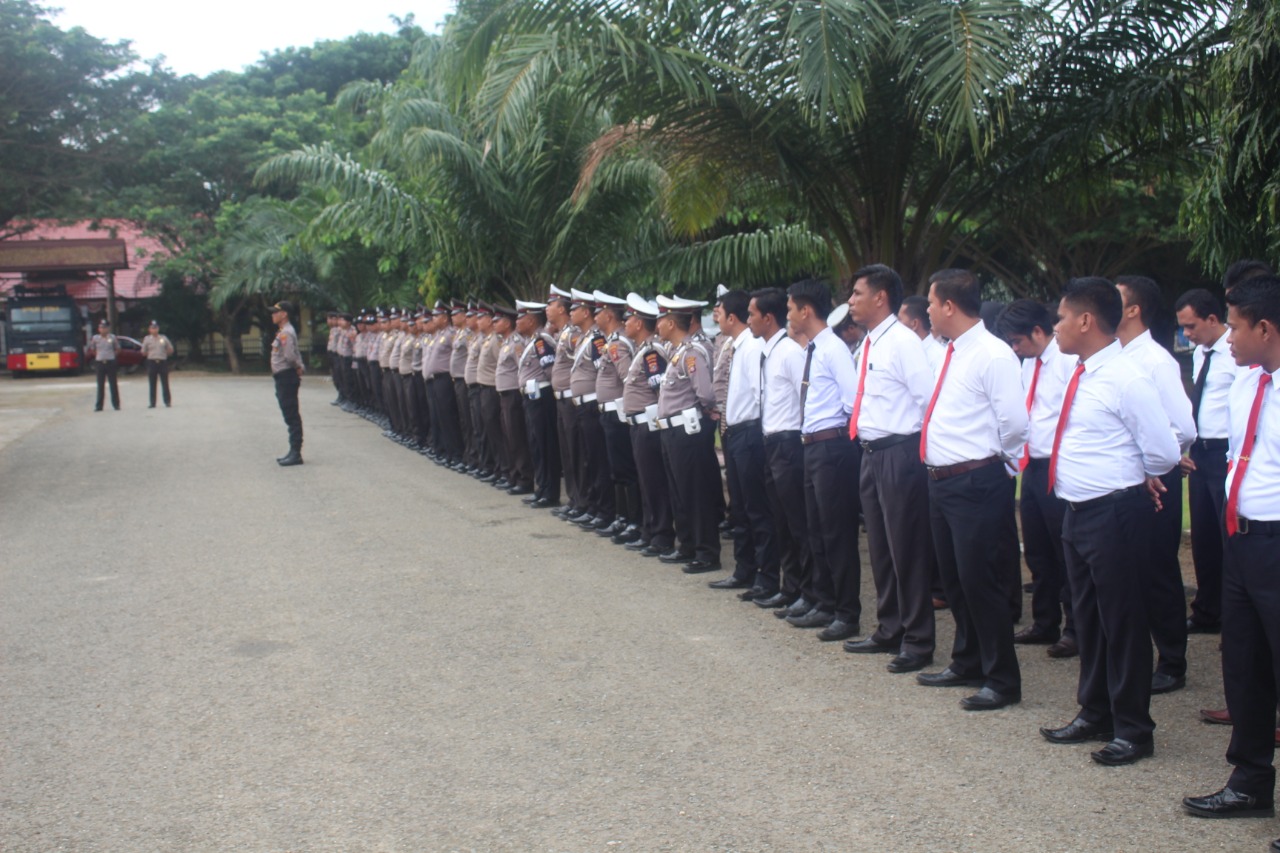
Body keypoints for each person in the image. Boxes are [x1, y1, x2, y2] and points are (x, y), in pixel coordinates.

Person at [1039, 277, 1180, 765]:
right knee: (1090, 620)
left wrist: (1139, 477)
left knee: (1123, 622)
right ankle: (1095, 710)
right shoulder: (1082, 372)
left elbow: (1163, 451)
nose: (1055, 327)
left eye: (1060, 317)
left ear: (1085, 320)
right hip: (1078, 511)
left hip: (1115, 513)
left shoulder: (1127, 377)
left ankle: (1134, 729)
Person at [1181, 276, 1280, 844]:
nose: (1229, 338)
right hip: (1242, 540)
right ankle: (1249, 782)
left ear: (1265, 328)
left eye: (1236, 327)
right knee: (1243, 665)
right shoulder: (1246, 380)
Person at [916, 268, 1028, 711]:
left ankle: (1002, 678)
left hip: (975, 479)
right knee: (956, 579)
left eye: (930, 302)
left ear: (949, 305)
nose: (926, 310)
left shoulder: (992, 354)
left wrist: (994, 462)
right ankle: (968, 659)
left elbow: (1014, 423)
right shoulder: (951, 350)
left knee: (982, 580)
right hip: (943, 480)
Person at [843, 264, 938, 673]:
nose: (850, 301)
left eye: (857, 293)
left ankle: (918, 640)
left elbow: (926, 401)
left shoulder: (902, 342)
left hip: (900, 452)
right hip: (870, 452)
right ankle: (890, 626)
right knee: (881, 547)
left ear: (881, 297)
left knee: (907, 549)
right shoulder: (869, 342)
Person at [1116, 275, 1196, 695]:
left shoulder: (1155, 360)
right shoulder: (1112, 357)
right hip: (1124, 481)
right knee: (1128, 570)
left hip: (1155, 477)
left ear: (1133, 310)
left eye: (1116, 298)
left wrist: (1159, 456)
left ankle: (1172, 660)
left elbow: (1183, 426)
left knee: (1157, 570)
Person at [996, 299, 1078, 654]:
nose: (1015, 348)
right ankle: (1045, 621)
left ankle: (1075, 627)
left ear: (1038, 331)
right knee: (1037, 549)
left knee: (1064, 551)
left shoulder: (1066, 361)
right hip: (1031, 465)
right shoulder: (1029, 363)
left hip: (1058, 466)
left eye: (1018, 341)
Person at [785, 278, 862, 642]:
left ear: (806, 310)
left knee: (837, 532)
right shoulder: (814, 349)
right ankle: (824, 600)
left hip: (831, 446)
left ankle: (846, 612)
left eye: (790, 309)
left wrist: (835, 440)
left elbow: (851, 401)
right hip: (812, 446)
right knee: (816, 529)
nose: (788, 315)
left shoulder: (833, 349)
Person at [1175, 288, 1241, 635]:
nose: (1187, 334)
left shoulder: (1236, 353)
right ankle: (1207, 610)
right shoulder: (1202, 353)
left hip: (1224, 451)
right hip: (1201, 452)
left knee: (1228, 536)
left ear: (1212, 319)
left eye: (1191, 326)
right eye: (1183, 327)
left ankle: (1235, 616)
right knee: (1203, 537)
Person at [707, 289, 777, 599]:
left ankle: (766, 576)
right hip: (734, 432)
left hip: (749, 432)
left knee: (756, 509)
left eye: (720, 313)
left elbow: (759, 395)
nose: (716, 318)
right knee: (740, 509)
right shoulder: (738, 346)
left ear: (731, 317)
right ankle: (744, 569)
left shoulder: (751, 347)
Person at [748, 287, 814, 615]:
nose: (748, 320)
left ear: (768, 318)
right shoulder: (769, 351)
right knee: (782, 522)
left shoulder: (789, 352)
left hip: (788, 442)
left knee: (797, 522)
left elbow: (807, 398)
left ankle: (808, 592)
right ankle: (791, 588)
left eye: (752, 314)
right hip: (771, 442)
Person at [654, 294, 721, 573]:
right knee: (679, 492)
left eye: (661, 320)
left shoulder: (691, 353)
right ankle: (688, 545)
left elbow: (705, 393)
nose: (657, 325)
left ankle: (706, 552)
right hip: (671, 430)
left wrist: (707, 408)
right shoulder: (678, 351)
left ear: (671, 323)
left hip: (686, 431)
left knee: (694, 493)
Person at [620, 293, 674, 555]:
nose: (625, 323)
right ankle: (649, 530)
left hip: (648, 426)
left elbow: (660, 391)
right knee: (644, 480)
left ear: (639, 323)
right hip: (638, 425)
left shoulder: (652, 353)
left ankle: (661, 535)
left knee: (654, 482)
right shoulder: (643, 350)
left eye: (628, 319)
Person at [515, 300, 561, 509]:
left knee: (545, 445)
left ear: (532, 321)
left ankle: (550, 492)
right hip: (531, 397)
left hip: (541, 397)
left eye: (521, 318)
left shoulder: (542, 341)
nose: (517, 321)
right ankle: (541, 487)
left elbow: (550, 371)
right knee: (536, 445)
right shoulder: (532, 341)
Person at [269, 300, 305, 466]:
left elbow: (290, 356)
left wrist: (298, 367)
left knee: (291, 414)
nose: (273, 315)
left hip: (286, 376)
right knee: (289, 413)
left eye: (276, 312)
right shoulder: (284, 331)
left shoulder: (286, 333)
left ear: (284, 314)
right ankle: (293, 450)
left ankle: (296, 452)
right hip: (282, 376)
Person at [140, 320, 175, 408]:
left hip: (162, 362)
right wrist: (150, 355)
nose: (154, 330)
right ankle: (152, 403)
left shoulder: (163, 338)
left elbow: (170, 349)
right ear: (149, 329)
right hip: (152, 362)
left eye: (155, 328)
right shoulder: (147, 339)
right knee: (152, 383)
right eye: (152, 328)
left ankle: (167, 401)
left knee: (165, 383)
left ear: (158, 329)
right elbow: (143, 351)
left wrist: (165, 354)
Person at [88, 319, 121, 411]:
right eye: (101, 327)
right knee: (100, 385)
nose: (103, 329)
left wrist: (112, 355)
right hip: (100, 363)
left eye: (105, 327)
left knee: (113, 384)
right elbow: (92, 349)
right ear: (99, 329)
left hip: (110, 362)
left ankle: (116, 405)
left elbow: (118, 349)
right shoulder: (95, 338)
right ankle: (99, 406)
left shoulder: (112, 337)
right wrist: (98, 356)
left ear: (108, 328)